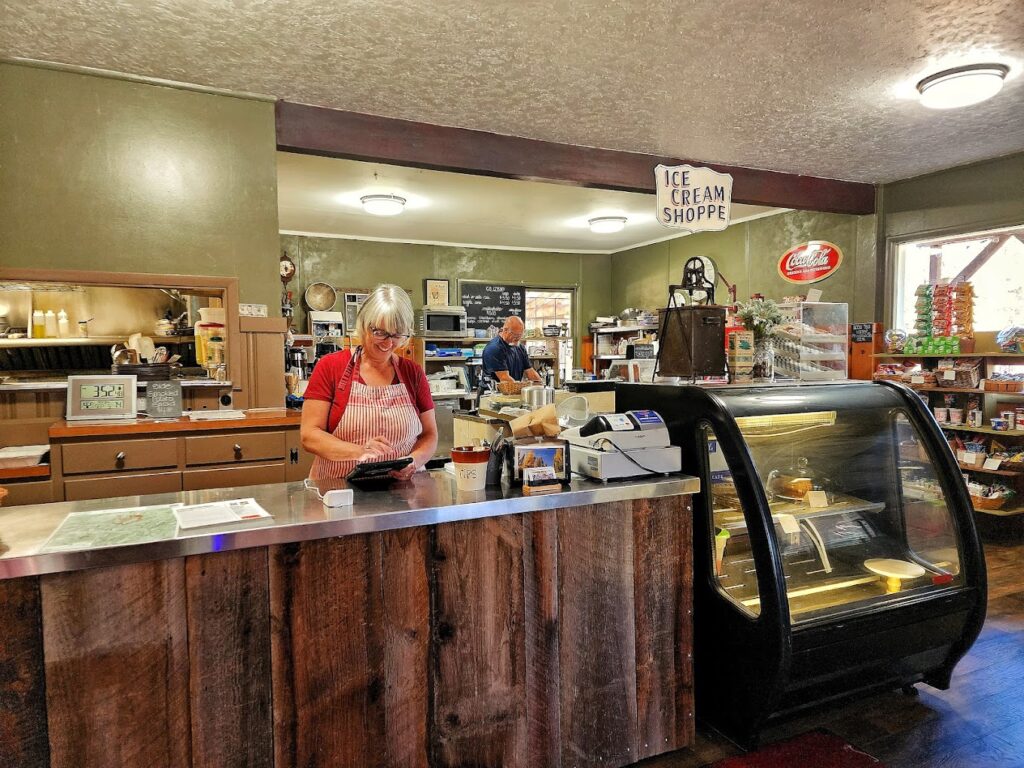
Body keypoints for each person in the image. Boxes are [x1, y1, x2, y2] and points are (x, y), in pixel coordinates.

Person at [301, 284, 437, 481]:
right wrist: (359, 451)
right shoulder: (330, 367)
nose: (388, 343)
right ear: (364, 325)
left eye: (397, 335)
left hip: (401, 494)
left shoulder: (412, 373)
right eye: (380, 333)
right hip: (338, 492)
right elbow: (310, 435)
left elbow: (430, 435)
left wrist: (414, 461)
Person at [481, 315, 542, 391]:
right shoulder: (494, 348)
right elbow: (505, 379)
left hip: (511, 392)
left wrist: (541, 387)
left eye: (520, 335)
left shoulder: (520, 347)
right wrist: (523, 391)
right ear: (505, 330)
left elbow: (530, 372)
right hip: (493, 394)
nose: (518, 338)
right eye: (515, 335)